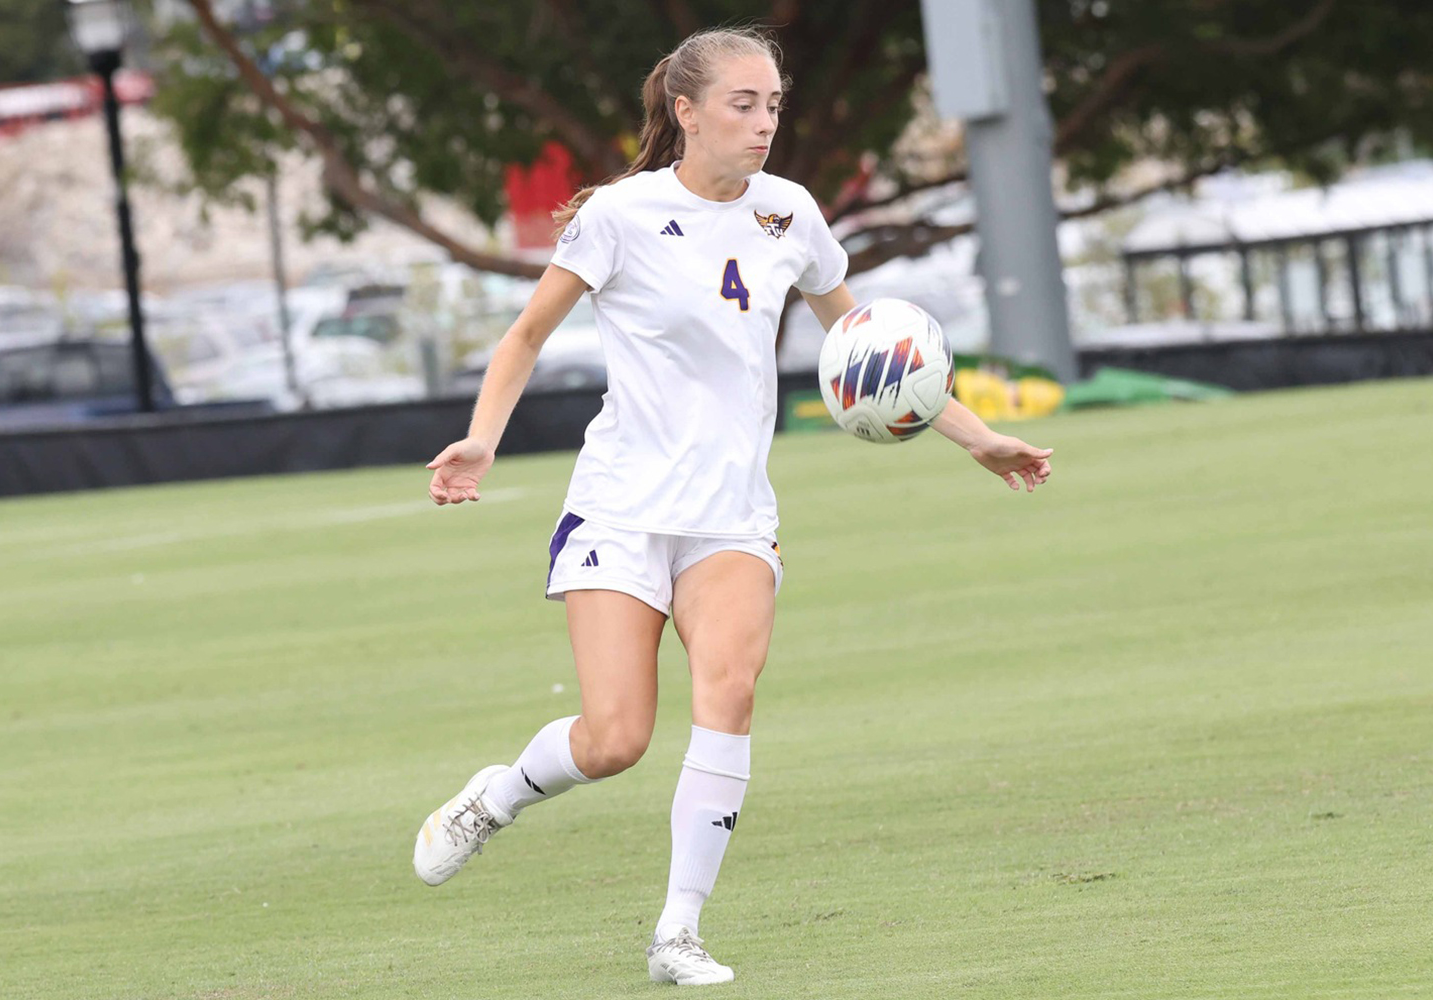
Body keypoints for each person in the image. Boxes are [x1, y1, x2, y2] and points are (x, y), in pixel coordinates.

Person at [412, 26, 1054, 986]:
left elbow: (876, 350)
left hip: (732, 517)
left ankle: (677, 933)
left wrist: (979, 440)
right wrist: (482, 439)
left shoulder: (789, 214)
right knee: (615, 738)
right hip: (622, 508)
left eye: (774, 106)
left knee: (731, 696)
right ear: (686, 111)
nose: (764, 125)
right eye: (744, 105)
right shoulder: (621, 216)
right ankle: (495, 797)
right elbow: (524, 336)